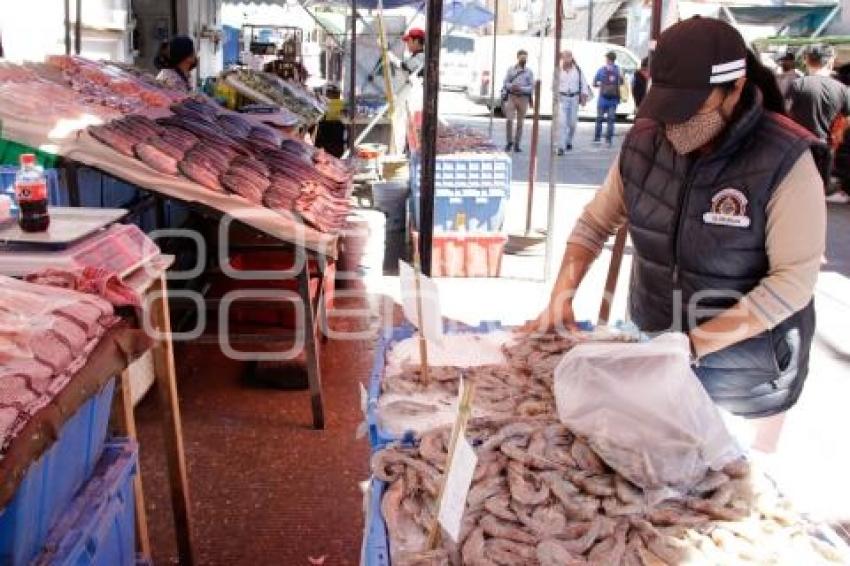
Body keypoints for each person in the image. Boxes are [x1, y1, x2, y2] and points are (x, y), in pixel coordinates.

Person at [529, 17, 827, 447]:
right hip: (650, 353)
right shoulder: (645, 141)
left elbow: (793, 283)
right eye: (667, 107)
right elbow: (595, 223)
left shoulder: (785, 159)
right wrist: (561, 297)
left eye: (693, 108)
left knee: (730, 492)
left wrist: (692, 345)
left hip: (744, 378)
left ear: (736, 88)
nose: (676, 123)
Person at [789, 44, 850, 202]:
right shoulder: (842, 89)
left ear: (807, 60)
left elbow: (783, 114)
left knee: (795, 190)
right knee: (818, 191)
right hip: (825, 148)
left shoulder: (797, 85)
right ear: (830, 62)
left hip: (796, 147)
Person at [557, 50, 591, 155]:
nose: (566, 59)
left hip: (574, 98)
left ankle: (569, 140)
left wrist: (584, 96)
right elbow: (554, 86)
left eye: (568, 57)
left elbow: (584, 84)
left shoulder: (578, 70)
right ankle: (561, 147)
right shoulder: (558, 71)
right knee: (562, 123)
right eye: (564, 57)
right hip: (562, 98)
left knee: (572, 123)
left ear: (571, 58)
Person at [501, 49, 534, 153]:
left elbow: (531, 87)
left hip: (523, 98)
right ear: (518, 57)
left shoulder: (529, 72)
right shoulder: (511, 69)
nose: (524, 59)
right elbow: (505, 83)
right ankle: (509, 142)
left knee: (520, 123)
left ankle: (517, 144)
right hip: (512, 96)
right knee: (509, 119)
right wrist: (512, 86)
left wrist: (522, 89)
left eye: (525, 57)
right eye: (522, 57)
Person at [593, 51, 623, 145]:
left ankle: (597, 137)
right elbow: (621, 82)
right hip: (614, 99)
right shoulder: (618, 70)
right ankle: (608, 139)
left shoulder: (601, 70)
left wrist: (601, 85)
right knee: (611, 119)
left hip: (602, 98)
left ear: (608, 59)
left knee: (599, 118)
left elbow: (594, 82)